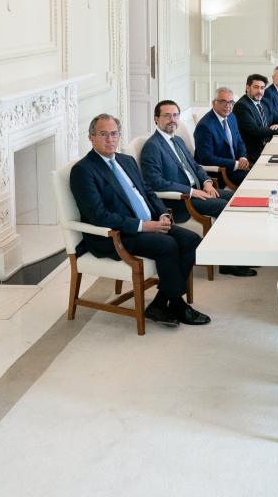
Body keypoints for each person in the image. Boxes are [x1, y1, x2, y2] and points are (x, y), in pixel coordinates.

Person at [68, 113, 210, 327]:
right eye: (103, 134)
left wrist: (162, 214)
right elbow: (99, 216)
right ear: (91, 137)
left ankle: (160, 303)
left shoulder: (126, 160)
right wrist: (143, 226)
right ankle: (176, 304)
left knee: (191, 240)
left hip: (150, 222)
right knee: (168, 245)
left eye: (114, 134)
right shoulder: (83, 170)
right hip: (116, 234)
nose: (110, 139)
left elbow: (148, 191)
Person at [141, 100, 253, 279]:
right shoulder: (152, 146)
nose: (172, 119)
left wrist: (207, 182)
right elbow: (155, 182)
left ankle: (239, 251)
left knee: (236, 198)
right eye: (167, 116)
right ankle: (228, 263)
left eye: (175, 115)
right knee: (225, 207)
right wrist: (192, 191)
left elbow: (196, 166)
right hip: (181, 200)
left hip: (199, 190)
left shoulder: (177, 140)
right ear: (156, 119)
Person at [193, 87, 250, 186]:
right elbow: (206, 158)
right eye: (223, 102)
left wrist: (243, 157)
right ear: (214, 103)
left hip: (237, 166)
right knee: (253, 181)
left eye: (231, 102)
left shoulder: (231, 117)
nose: (228, 106)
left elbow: (239, 141)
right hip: (221, 171)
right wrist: (235, 163)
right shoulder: (204, 126)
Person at [235, 73, 278, 163]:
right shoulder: (242, 106)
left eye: (262, 88)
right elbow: (255, 130)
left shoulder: (264, 101)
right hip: (253, 154)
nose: (259, 91)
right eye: (256, 87)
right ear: (248, 88)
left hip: (269, 146)